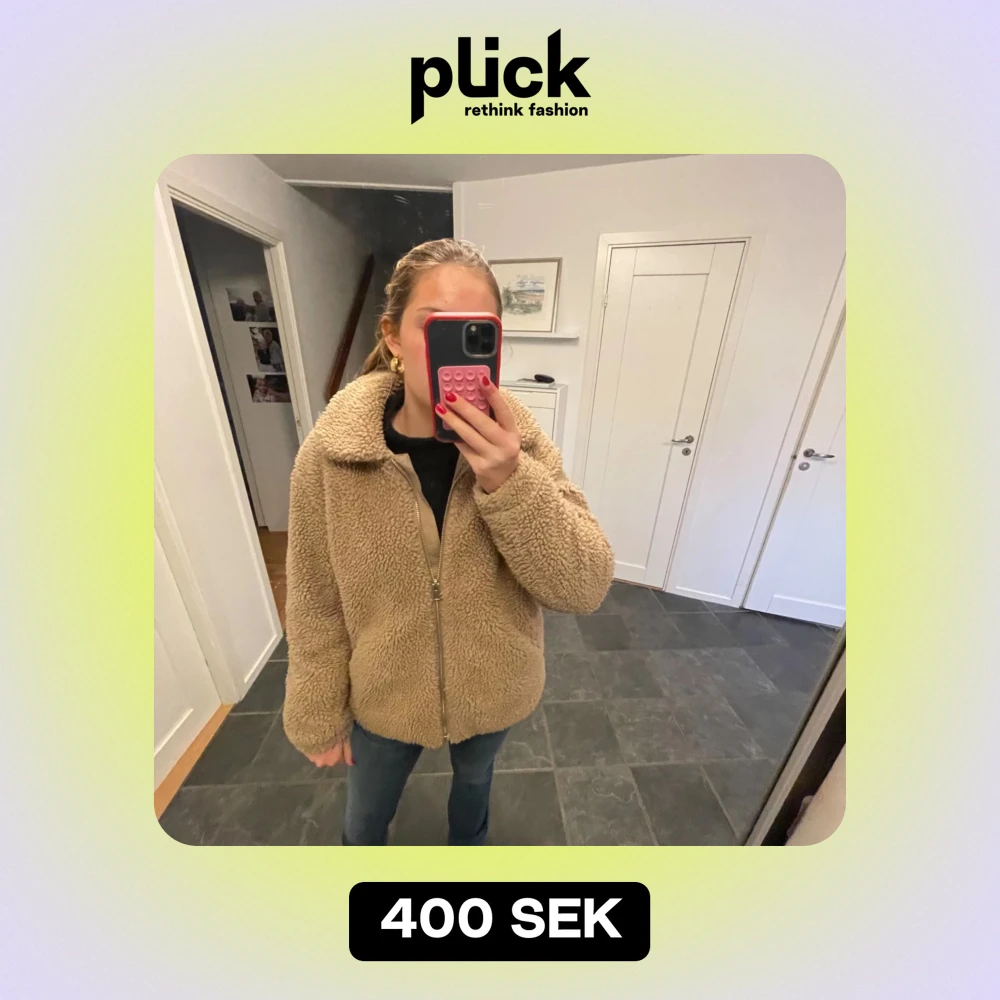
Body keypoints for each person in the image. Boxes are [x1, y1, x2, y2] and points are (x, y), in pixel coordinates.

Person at [282, 238, 614, 846]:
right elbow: (314, 596)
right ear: (391, 336)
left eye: (474, 331)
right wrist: (317, 710)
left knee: (475, 785)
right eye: (434, 327)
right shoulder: (331, 458)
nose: (450, 349)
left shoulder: (522, 449)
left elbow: (585, 585)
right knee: (365, 816)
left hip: (495, 686)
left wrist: (511, 482)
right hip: (384, 694)